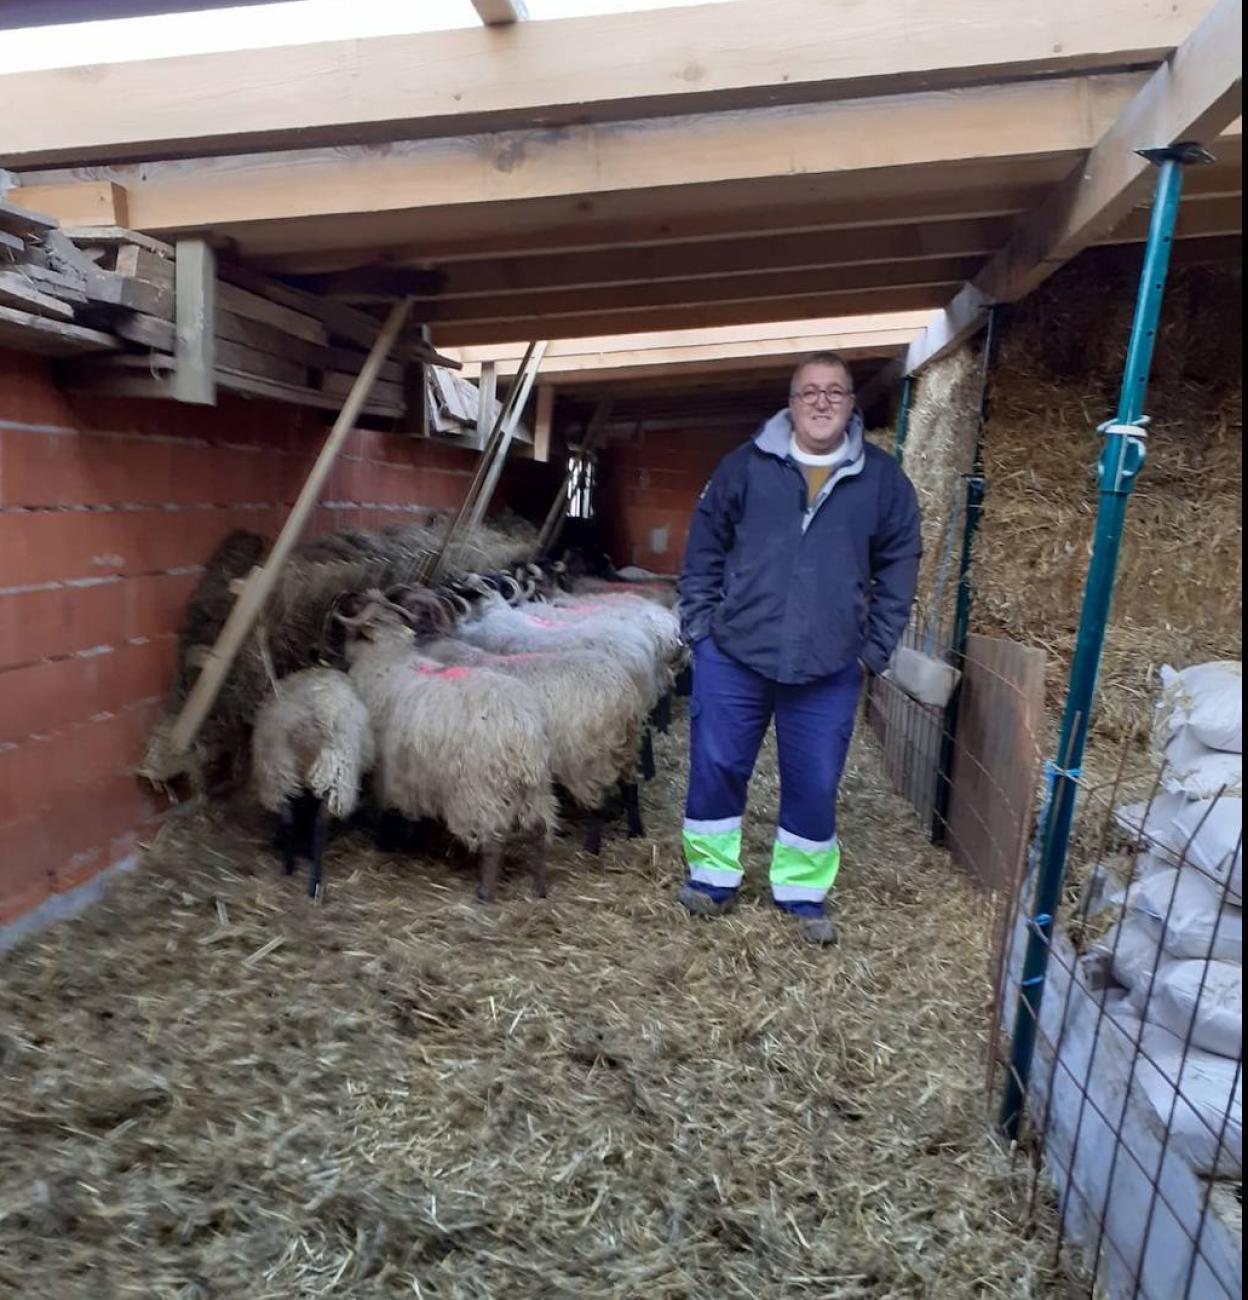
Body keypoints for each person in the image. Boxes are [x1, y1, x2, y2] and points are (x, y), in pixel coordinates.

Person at [676, 352, 921, 944]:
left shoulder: (883, 480)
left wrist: (873, 650)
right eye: (809, 391)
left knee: (815, 778)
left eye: (834, 391)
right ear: (791, 403)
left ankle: (801, 891)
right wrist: (700, 628)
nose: (821, 401)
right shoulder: (744, 466)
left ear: (851, 404)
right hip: (734, 652)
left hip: (829, 663)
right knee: (717, 765)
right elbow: (704, 546)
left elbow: (900, 566)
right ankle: (711, 878)